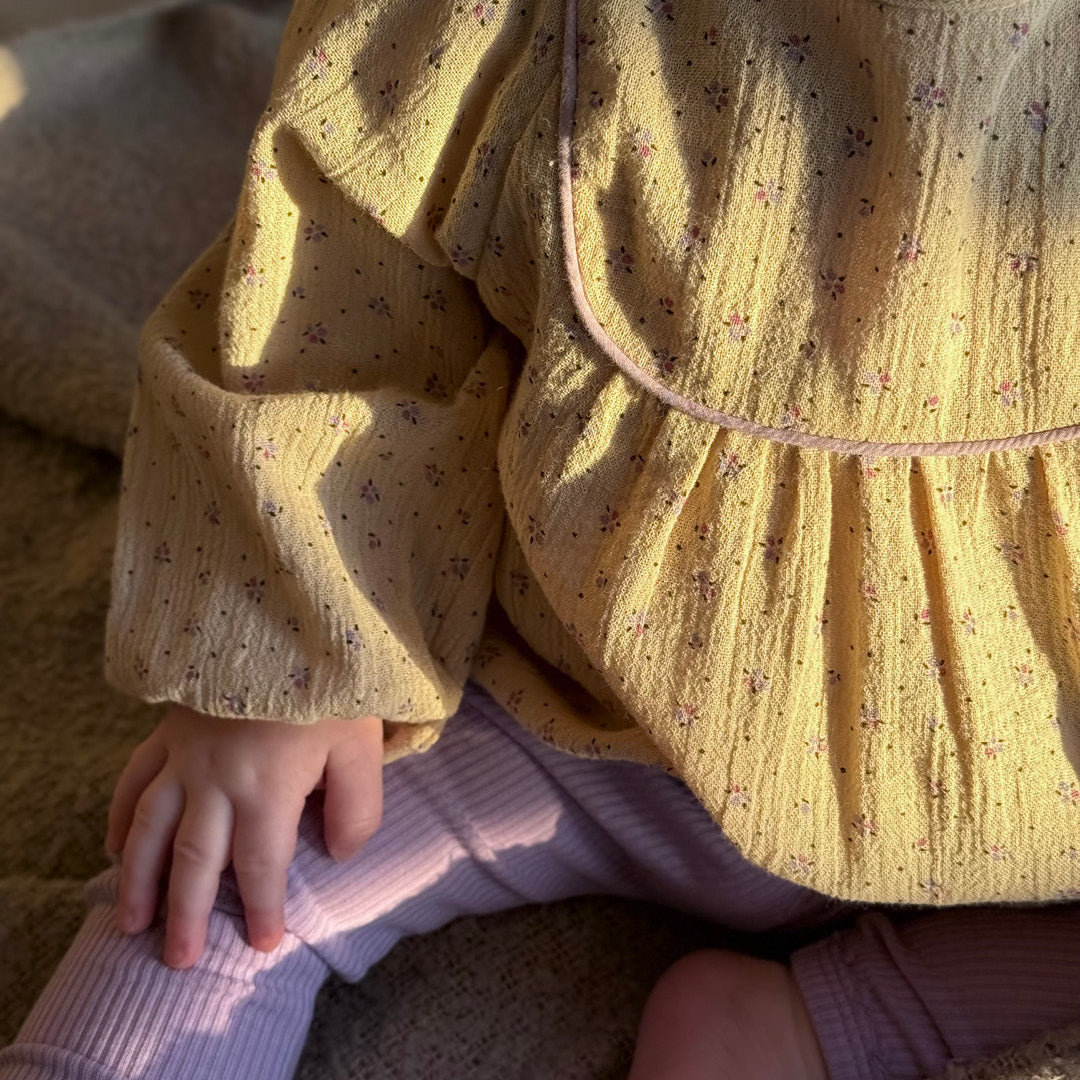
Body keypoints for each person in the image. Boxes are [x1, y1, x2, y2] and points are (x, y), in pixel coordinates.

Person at [2, 0, 1079, 1076]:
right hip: (598, 699)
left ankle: (848, 1022)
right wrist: (292, 647)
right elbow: (343, 238)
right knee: (230, 870)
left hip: (1040, 780)